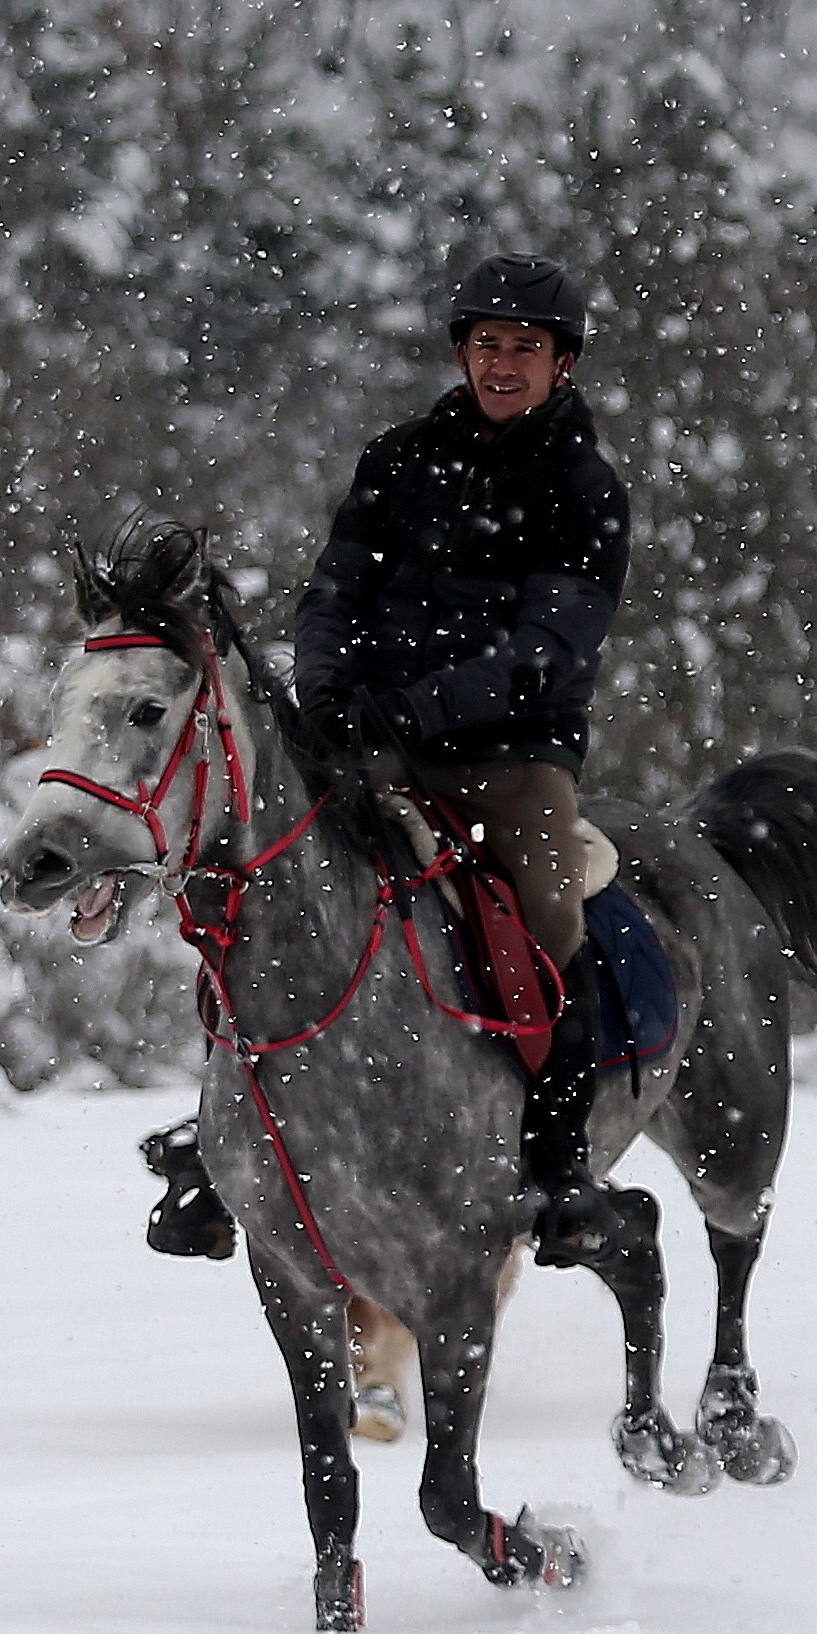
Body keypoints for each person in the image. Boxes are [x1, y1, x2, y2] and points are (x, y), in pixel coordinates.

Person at [143, 253, 639, 1264]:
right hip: (369, 740)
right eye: (488, 344)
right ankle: (216, 1142)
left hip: (510, 753)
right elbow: (335, 587)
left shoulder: (586, 488)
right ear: (462, 352)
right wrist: (323, 685)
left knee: (549, 911)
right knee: (259, 886)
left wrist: (417, 706)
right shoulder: (401, 458)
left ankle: (562, 1167)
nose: (504, 363)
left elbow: (551, 642)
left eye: (526, 348)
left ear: (563, 364)